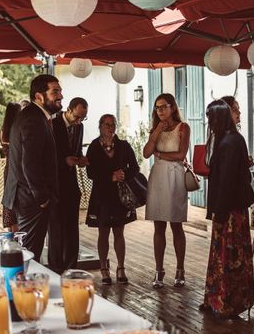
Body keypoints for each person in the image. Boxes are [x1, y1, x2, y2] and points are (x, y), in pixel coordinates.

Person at [201, 99, 254, 319]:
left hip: (231, 210)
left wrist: (220, 213)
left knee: (229, 258)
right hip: (231, 208)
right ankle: (220, 300)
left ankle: (227, 302)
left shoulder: (229, 142)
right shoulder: (229, 139)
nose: (209, 123)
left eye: (211, 118)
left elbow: (227, 182)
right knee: (226, 257)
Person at [3, 74, 62, 262]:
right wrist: (42, 197)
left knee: (28, 251)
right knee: (29, 254)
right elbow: (29, 163)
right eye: (55, 92)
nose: (60, 96)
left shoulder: (31, 116)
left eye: (60, 91)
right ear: (39, 96)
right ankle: (23, 289)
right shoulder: (33, 119)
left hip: (25, 196)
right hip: (30, 199)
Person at [143, 93, 190, 288]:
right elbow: (146, 153)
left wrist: (160, 153)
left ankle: (180, 268)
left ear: (172, 107)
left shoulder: (183, 128)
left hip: (175, 176)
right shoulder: (156, 129)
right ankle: (159, 269)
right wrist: (156, 132)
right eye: (157, 107)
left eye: (163, 107)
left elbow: (181, 155)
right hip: (158, 177)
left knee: (176, 224)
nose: (160, 110)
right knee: (158, 225)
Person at [86, 114, 139, 284]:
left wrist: (123, 175)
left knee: (119, 232)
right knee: (103, 232)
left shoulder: (123, 145)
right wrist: (111, 176)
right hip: (101, 195)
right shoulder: (94, 146)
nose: (110, 127)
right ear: (100, 126)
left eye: (113, 124)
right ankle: (103, 268)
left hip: (119, 196)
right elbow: (90, 172)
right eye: (107, 124)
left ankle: (121, 267)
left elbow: (135, 168)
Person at [50, 97, 89, 272]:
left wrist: (80, 159)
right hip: (55, 183)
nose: (79, 121)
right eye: (77, 117)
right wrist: (64, 161)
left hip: (71, 185)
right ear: (69, 110)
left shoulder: (79, 126)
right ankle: (56, 268)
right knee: (57, 230)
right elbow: (46, 154)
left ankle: (72, 267)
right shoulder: (53, 123)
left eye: (83, 118)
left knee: (72, 229)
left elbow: (77, 149)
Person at [0, 102, 21, 232]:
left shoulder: (3, 131)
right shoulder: (17, 130)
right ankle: (18, 228)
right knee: (17, 198)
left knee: (9, 198)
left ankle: (11, 229)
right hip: (17, 168)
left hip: (8, 167)